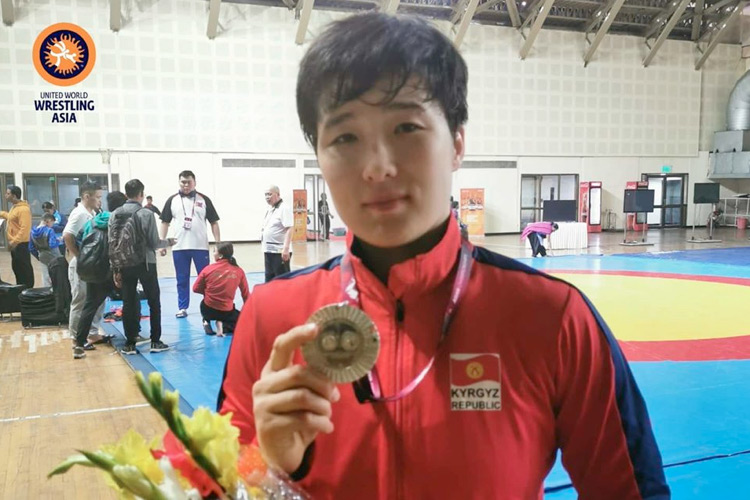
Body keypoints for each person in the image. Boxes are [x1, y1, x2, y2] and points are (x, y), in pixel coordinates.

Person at [218, 13, 669, 499]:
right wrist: (266, 465)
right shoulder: (273, 319)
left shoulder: (554, 319)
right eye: (345, 137)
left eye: (406, 127)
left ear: (456, 143)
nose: (377, 167)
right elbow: (212, 484)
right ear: (319, 157)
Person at [111, 179, 170, 355]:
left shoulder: (115, 214)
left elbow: (112, 243)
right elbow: (153, 242)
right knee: (153, 301)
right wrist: (168, 242)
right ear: (141, 194)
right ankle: (155, 341)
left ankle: (130, 344)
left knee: (128, 302)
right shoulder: (146, 214)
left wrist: (115, 269)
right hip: (146, 263)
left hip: (125, 264)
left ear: (126, 194)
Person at [71, 191, 128, 359]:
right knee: (130, 299)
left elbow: (79, 239)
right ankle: (132, 338)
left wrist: (82, 259)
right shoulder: (118, 221)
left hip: (92, 269)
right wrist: (118, 271)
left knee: (89, 306)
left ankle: (79, 344)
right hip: (110, 270)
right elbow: (118, 248)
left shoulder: (93, 220)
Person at [159, 171, 221, 318]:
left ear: (195, 182)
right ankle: (182, 307)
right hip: (179, 247)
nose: (186, 185)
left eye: (189, 182)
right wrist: (162, 243)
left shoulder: (204, 199)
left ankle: (209, 306)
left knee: (205, 280)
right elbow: (164, 222)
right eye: (183, 182)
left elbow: (214, 222)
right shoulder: (172, 200)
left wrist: (218, 244)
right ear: (179, 182)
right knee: (181, 279)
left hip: (200, 247)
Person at [64, 181, 106, 346]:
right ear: (87, 196)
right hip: (81, 264)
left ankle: (92, 333)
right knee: (80, 300)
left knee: (96, 300)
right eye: (97, 197)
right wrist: (80, 256)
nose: (100, 200)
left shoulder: (92, 213)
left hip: (91, 263)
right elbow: (67, 235)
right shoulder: (79, 213)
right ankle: (76, 338)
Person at [192, 241, 249, 337]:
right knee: (241, 323)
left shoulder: (208, 269)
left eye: (214, 251)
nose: (213, 253)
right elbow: (245, 294)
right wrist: (248, 312)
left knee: (206, 305)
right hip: (226, 311)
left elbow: (195, 288)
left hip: (207, 309)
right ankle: (223, 324)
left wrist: (208, 292)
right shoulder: (239, 271)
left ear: (220, 255)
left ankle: (206, 320)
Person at [0, 185, 34, 287]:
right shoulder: (15, 207)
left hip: (20, 244)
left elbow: (25, 229)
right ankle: (20, 288)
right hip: (16, 244)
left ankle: (28, 289)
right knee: (17, 268)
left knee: (24, 269)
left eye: (8, 193)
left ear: (14, 196)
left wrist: (14, 242)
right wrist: (1, 213)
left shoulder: (23, 210)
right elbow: (10, 217)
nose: (6, 195)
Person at [261, 185, 293, 282]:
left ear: (278, 194)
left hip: (279, 251)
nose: (267, 197)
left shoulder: (284, 208)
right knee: (269, 278)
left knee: (281, 279)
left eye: (269, 194)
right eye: (266, 195)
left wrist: (286, 249)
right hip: (268, 250)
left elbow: (289, 228)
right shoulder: (270, 209)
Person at [29, 213, 64, 287]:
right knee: (57, 276)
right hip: (54, 256)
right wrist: (58, 240)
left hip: (42, 255)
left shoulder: (32, 232)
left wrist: (38, 256)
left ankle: (46, 291)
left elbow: (31, 248)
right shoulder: (49, 230)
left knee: (45, 277)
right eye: (52, 223)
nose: (52, 225)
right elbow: (52, 245)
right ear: (48, 221)